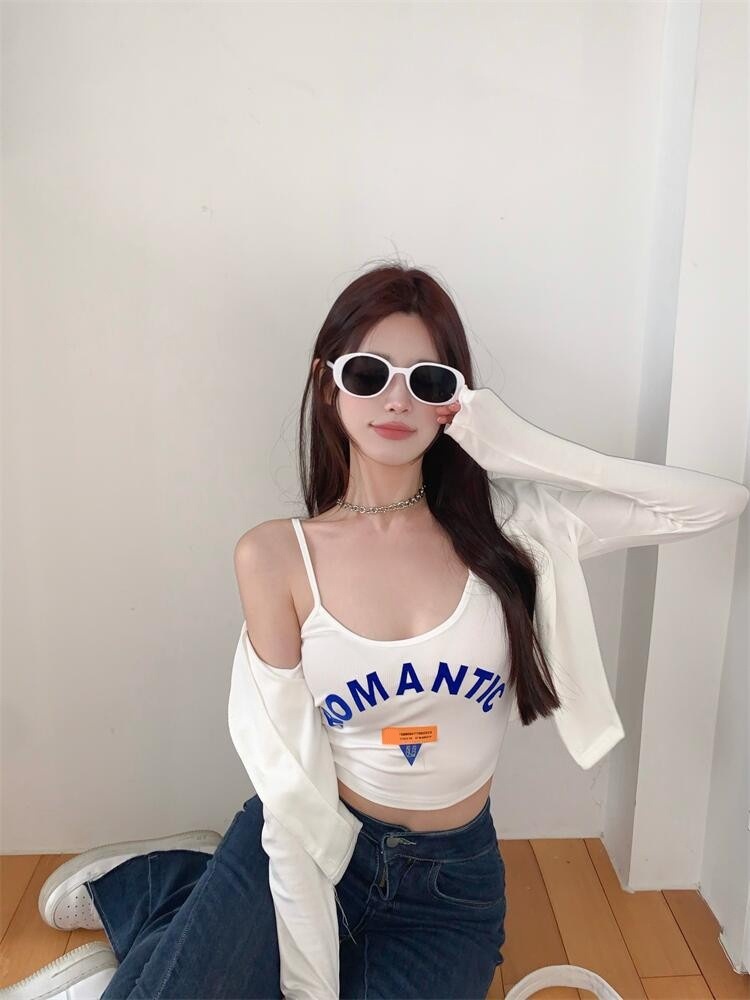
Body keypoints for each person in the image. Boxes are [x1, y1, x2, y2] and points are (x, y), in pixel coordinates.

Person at [7, 263, 748, 1000]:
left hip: (446, 894)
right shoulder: (276, 557)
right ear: (328, 385)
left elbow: (713, 504)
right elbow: (289, 782)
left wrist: (521, 448)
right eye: (369, 374)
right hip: (313, 839)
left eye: (427, 381)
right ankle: (177, 891)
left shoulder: (517, 529)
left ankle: (172, 900)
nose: (397, 399)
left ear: (456, 401)